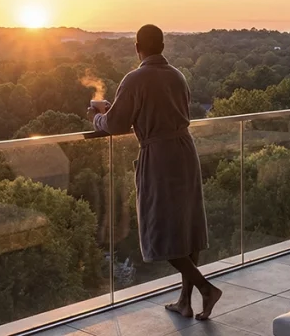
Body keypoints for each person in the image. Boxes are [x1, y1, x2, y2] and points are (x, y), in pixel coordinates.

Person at [89, 24, 221, 320]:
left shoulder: (135, 79)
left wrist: (98, 117)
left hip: (160, 158)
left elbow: (117, 125)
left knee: (158, 229)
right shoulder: (177, 75)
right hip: (186, 152)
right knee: (186, 227)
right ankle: (185, 301)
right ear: (162, 45)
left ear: (138, 47)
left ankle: (205, 289)